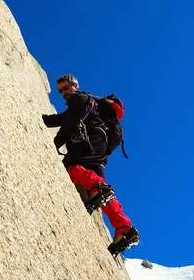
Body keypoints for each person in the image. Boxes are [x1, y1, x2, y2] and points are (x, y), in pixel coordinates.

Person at [42, 73, 139, 256]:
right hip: (100, 150)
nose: (64, 92)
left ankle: (97, 188)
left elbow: (68, 124)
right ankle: (124, 228)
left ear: (75, 85)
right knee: (104, 193)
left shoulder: (80, 99)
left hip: (91, 142)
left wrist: (53, 144)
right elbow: (62, 119)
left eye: (66, 87)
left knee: (71, 166)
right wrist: (39, 118)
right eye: (61, 90)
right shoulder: (85, 103)